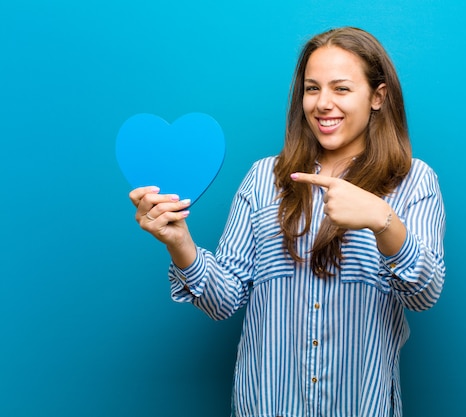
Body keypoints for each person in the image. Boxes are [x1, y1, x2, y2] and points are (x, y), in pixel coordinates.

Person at [130, 27, 445, 417]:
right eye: (312, 89)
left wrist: (383, 221)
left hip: (361, 405)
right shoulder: (264, 179)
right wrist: (179, 242)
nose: (323, 104)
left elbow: (424, 295)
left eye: (341, 89)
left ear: (377, 96)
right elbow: (223, 301)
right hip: (266, 404)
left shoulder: (414, 181)